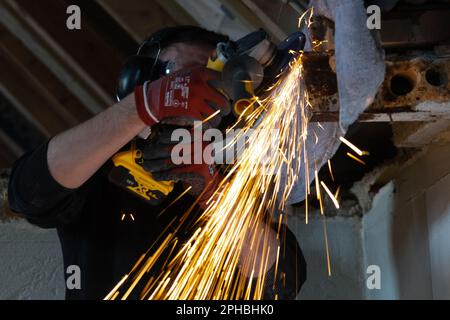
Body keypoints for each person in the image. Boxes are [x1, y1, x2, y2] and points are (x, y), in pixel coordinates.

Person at [8, 26, 306, 300]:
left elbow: (279, 282)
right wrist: (145, 105)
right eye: (179, 77)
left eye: (209, 79)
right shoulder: (103, 163)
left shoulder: (237, 180)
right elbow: (28, 192)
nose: (194, 88)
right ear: (138, 83)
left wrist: (212, 194)